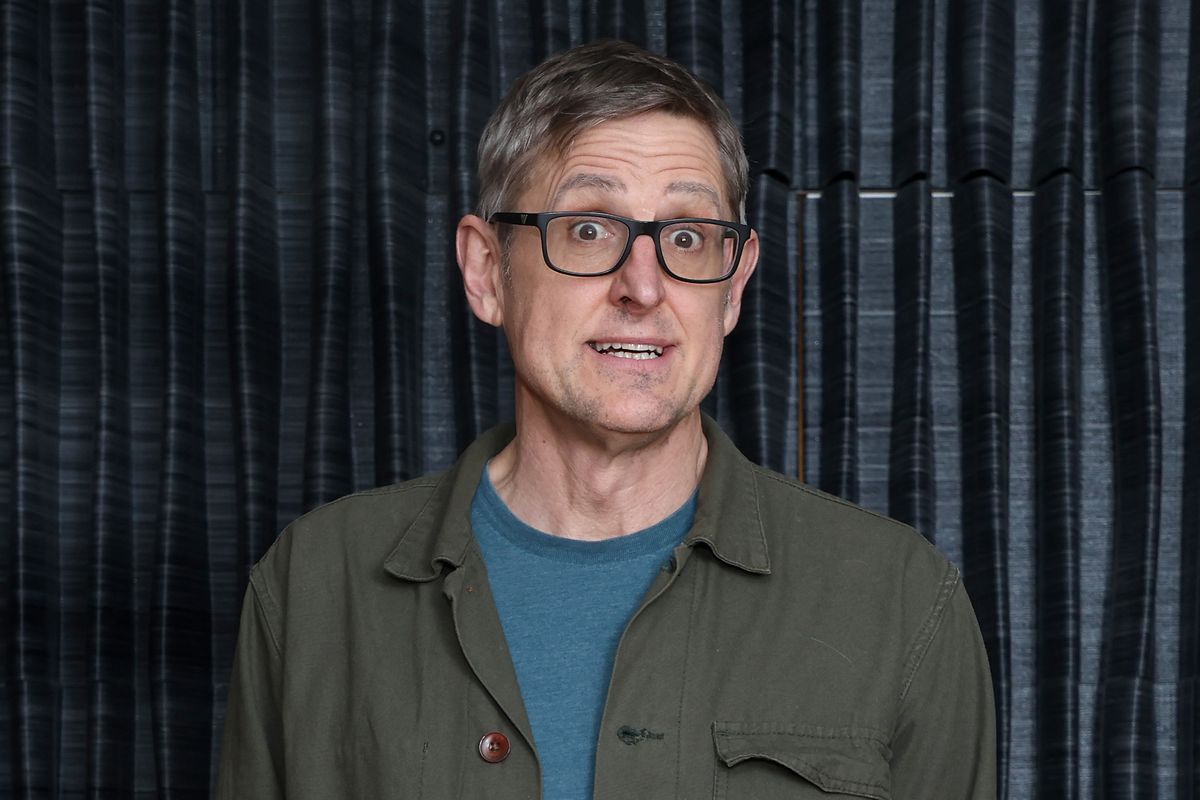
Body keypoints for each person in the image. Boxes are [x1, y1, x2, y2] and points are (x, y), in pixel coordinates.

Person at [216, 39, 996, 799]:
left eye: (687, 238)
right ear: (487, 271)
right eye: (589, 229)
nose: (643, 287)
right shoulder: (316, 587)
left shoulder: (895, 599)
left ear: (732, 289)